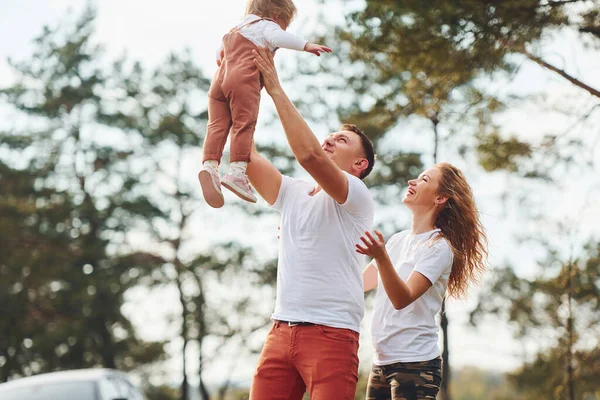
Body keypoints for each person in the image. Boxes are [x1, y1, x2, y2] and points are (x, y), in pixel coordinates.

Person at [246, 47, 376, 400]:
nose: (331, 138)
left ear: (359, 164)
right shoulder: (293, 192)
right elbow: (245, 155)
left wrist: (274, 86)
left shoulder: (357, 196)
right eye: (330, 135)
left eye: (343, 140)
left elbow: (308, 155)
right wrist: (238, 89)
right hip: (280, 330)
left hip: (332, 333)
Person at [356, 163, 488, 400]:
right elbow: (357, 284)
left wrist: (382, 257)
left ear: (440, 198)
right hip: (381, 362)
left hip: (415, 365)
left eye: (424, 180)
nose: (412, 182)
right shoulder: (397, 241)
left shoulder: (439, 247)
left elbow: (402, 298)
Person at [198, 0, 331, 208]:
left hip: (218, 81)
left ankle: (209, 165)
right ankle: (237, 172)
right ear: (276, 15)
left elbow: (219, 56)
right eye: (284, 24)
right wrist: (305, 45)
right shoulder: (266, 25)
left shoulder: (236, 27)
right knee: (244, 123)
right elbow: (278, 37)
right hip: (242, 79)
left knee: (216, 125)